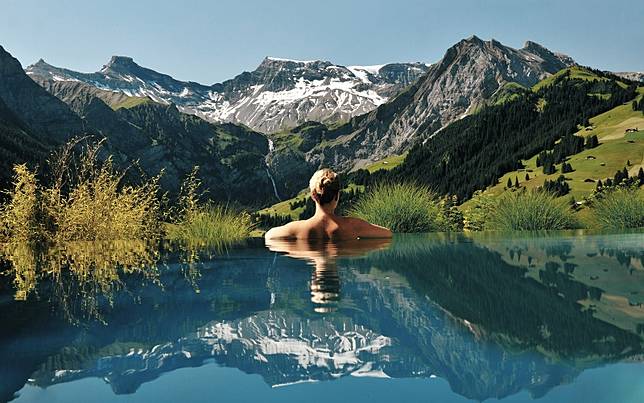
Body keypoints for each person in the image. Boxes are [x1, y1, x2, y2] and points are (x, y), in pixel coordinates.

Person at [264, 168, 392, 240]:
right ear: (337, 195)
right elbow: (388, 234)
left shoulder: (296, 229)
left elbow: (268, 236)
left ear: (313, 196)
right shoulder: (353, 226)